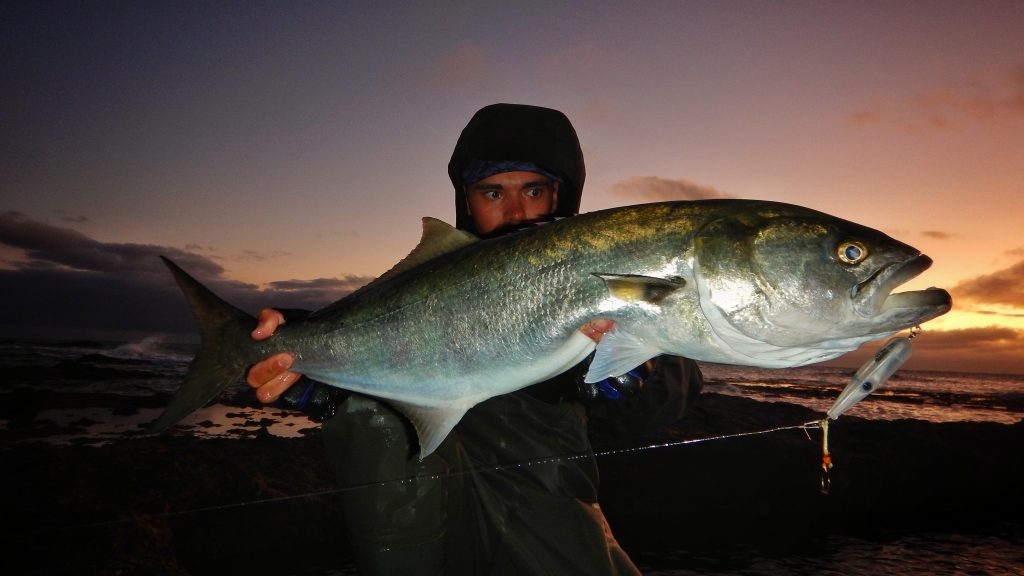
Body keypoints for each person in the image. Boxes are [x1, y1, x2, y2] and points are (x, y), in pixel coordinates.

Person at [246, 103, 704, 575]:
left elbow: (676, 379)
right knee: (370, 413)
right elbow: (364, 329)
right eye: (492, 192)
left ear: (560, 198)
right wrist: (300, 351)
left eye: (533, 189)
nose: (515, 211)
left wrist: (635, 375)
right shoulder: (421, 289)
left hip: (544, 504)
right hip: (417, 514)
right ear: (468, 202)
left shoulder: (599, 276)